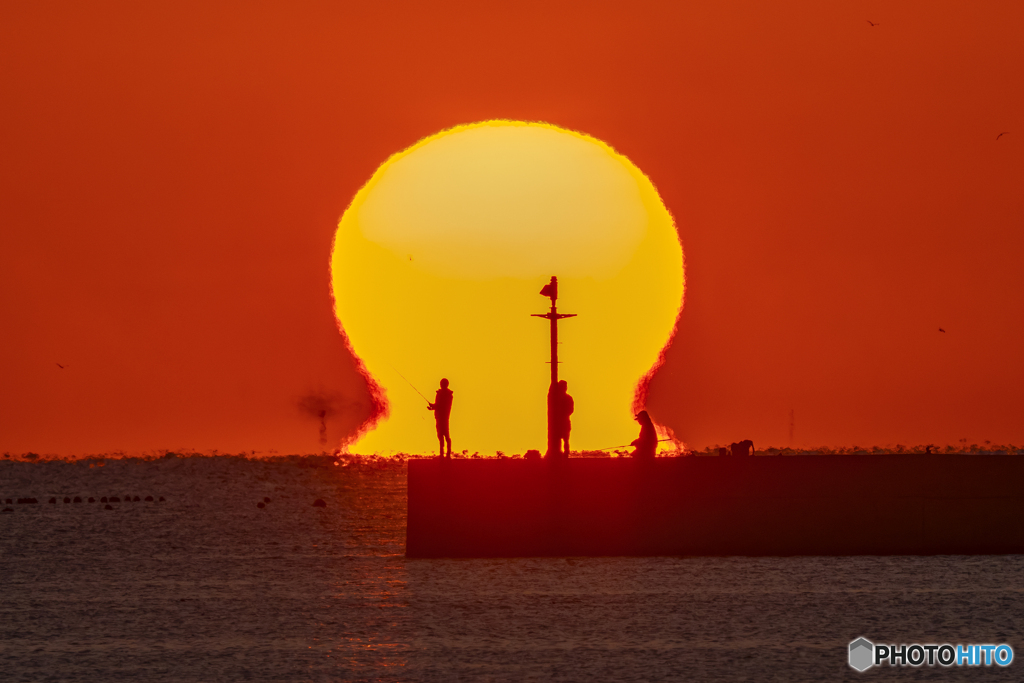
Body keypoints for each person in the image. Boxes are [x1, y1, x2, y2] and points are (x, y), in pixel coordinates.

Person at [428, 378, 453, 458]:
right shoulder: (448, 394)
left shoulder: (444, 394)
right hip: (443, 417)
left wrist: (433, 406)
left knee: (443, 435)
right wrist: (432, 407)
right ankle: (445, 453)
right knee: (443, 435)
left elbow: (441, 405)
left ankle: (444, 454)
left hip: (442, 417)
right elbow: (440, 405)